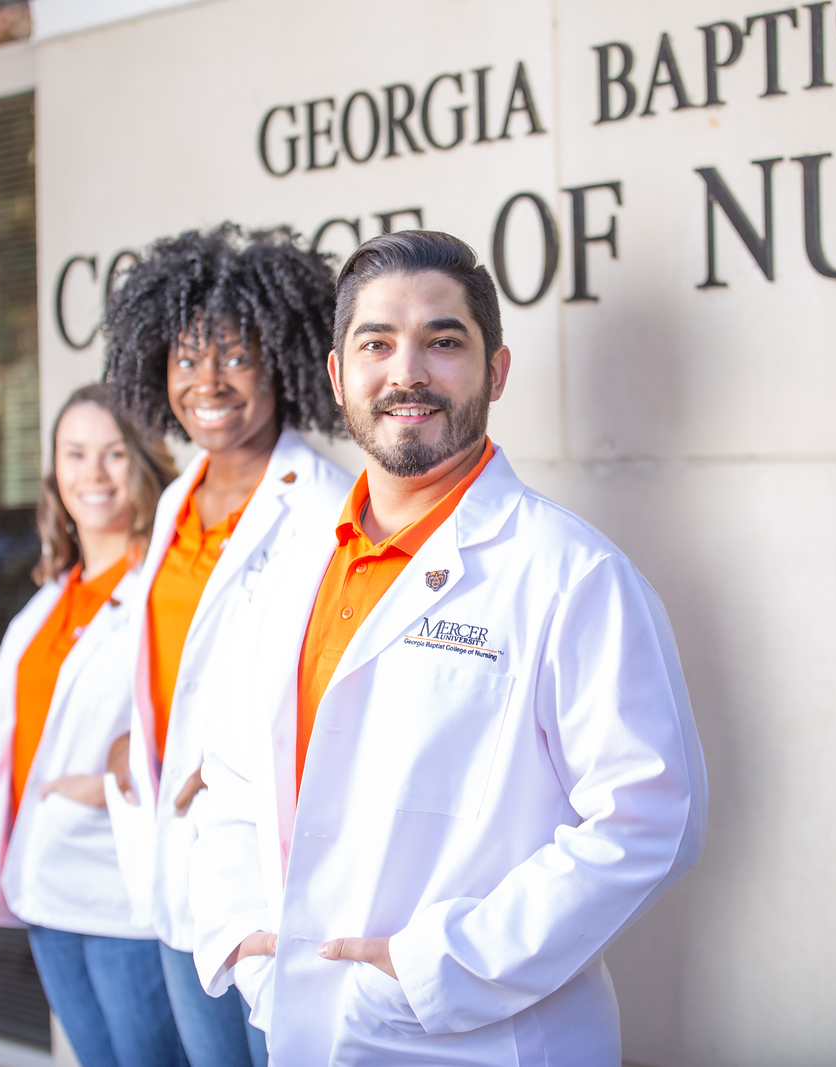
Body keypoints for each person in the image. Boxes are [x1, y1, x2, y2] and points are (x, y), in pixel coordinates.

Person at [187, 230, 709, 1065]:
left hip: (476, 1037)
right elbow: (230, 777)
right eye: (377, 344)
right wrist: (244, 941)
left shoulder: (570, 574)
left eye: (443, 341)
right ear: (337, 375)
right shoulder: (292, 568)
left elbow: (650, 816)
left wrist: (437, 970)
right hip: (299, 1024)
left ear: (495, 371)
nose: (407, 372)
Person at [100, 223, 354, 1066]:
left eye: (235, 357)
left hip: (262, 853)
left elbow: (341, 673)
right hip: (178, 850)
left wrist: (232, 757)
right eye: (184, 357)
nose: (206, 381)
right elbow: (172, 652)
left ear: (281, 362)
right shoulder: (178, 502)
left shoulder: (324, 505)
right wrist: (143, 727)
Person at [0, 383, 183, 1067]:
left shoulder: (167, 586)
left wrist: (110, 782)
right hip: (46, 885)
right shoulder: (51, 601)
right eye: (75, 453)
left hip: (122, 892)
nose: (92, 472)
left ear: (145, 464)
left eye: (114, 453)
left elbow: (201, 715)